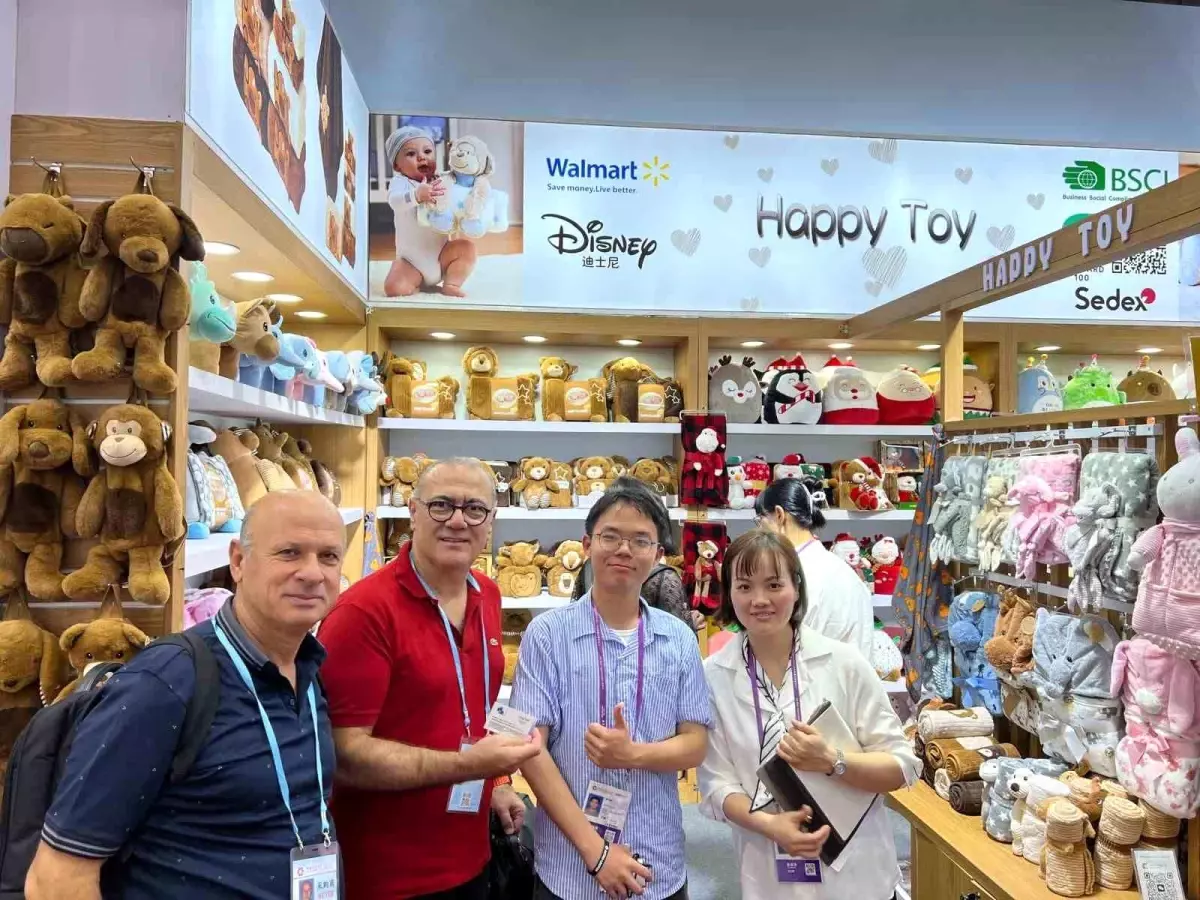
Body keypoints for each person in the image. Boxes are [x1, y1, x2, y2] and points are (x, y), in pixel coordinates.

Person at [25, 491, 347, 900]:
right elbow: (56, 880)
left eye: (329, 556)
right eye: (289, 553)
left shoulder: (307, 669)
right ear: (238, 561)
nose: (312, 573)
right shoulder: (165, 682)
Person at [319, 458, 540, 899]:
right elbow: (343, 757)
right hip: (388, 874)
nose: (458, 520)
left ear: (490, 522)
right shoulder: (362, 613)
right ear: (413, 512)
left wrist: (496, 782)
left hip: (472, 855)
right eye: (441, 505)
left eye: (474, 509)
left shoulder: (487, 594)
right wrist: (470, 766)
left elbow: (474, 710)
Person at [512, 478, 712, 900]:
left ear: (658, 555)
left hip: (657, 860)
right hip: (570, 866)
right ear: (587, 544)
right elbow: (530, 750)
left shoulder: (678, 638)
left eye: (640, 540)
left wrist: (632, 754)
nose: (624, 549)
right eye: (610, 537)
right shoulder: (546, 635)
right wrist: (597, 853)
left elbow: (695, 744)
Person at [698, 529, 921, 900]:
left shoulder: (844, 663)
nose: (759, 600)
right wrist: (769, 825)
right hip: (770, 877)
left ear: (796, 587)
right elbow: (716, 785)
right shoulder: (713, 676)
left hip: (858, 877)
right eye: (744, 586)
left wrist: (833, 760)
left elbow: (902, 767)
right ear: (729, 593)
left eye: (774, 585)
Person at [755, 479, 874, 659]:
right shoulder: (842, 571)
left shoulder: (797, 576)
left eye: (760, 520)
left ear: (779, 515)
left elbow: (781, 652)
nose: (759, 531)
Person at [383, 125, 477, 298]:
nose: (421, 157)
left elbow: (460, 182)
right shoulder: (401, 182)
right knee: (393, 288)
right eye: (411, 154)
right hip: (411, 262)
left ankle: (451, 283)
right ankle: (413, 281)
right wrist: (416, 195)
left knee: (467, 249)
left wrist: (462, 158)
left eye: (427, 151)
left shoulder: (440, 179)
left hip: (442, 256)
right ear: (397, 165)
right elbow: (394, 201)